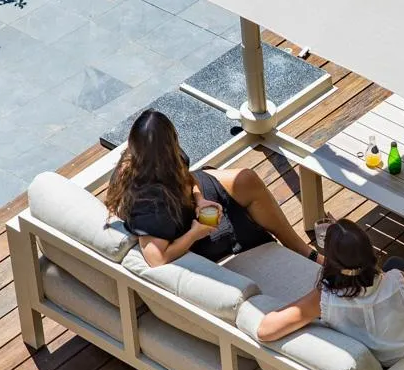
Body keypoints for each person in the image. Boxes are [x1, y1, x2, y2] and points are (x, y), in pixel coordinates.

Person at [105, 108, 317, 267]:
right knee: (239, 204)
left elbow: (185, 178)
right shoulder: (150, 204)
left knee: (245, 179)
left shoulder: (157, 160)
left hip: (184, 202)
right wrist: (196, 233)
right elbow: (156, 259)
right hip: (180, 227)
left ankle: (301, 250)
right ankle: (300, 252)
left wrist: (199, 199)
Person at [257, 218, 404, 370]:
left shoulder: (324, 300)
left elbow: (265, 331)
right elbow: (382, 276)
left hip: (388, 367)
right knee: (397, 262)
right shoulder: (395, 279)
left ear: (331, 261)